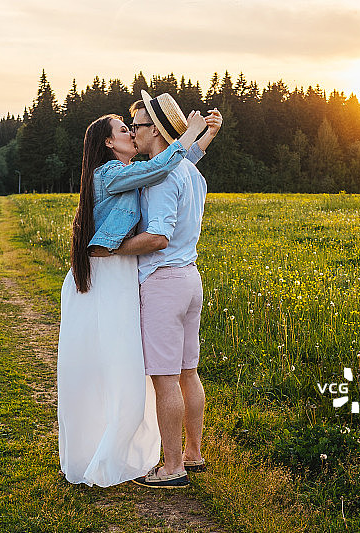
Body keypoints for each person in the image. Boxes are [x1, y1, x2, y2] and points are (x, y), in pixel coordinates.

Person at [57, 108, 211, 487]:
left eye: (135, 127)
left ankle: (167, 457)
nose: (131, 133)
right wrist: (191, 134)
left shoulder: (147, 173)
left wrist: (201, 136)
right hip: (114, 275)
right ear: (108, 142)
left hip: (131, 273)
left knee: (140, 369)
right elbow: (165, 169)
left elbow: (169, 167)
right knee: (118, 364)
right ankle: (128, 446)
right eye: (124, 129)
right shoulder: (110, 174)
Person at [102, 91, 220, 488]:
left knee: (165, 379)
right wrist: (205, 135)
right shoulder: (190, 170)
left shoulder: (161, 174)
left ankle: (172, 468)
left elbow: (158, 238)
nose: (133, 133)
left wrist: (113, 249)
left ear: (155, 130)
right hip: (190, 279)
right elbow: (191, 152)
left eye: (137, 126)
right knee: (189, 372)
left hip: (164, 281)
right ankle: (194, 454)